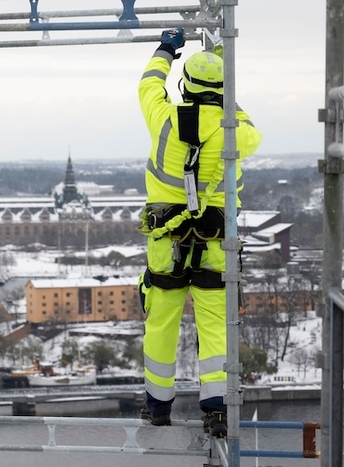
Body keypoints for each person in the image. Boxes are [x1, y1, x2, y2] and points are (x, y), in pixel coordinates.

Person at [136, 28, 262, 438]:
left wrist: (167, 48)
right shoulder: (236, 131)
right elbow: (247, 125)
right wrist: (224, 69)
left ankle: (157, 408)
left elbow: (149, 83)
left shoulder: (164, 119)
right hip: (215, 243)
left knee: (161, 324)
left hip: (166, 241)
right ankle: (217, 411)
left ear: (185, 87)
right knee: (215, 325)